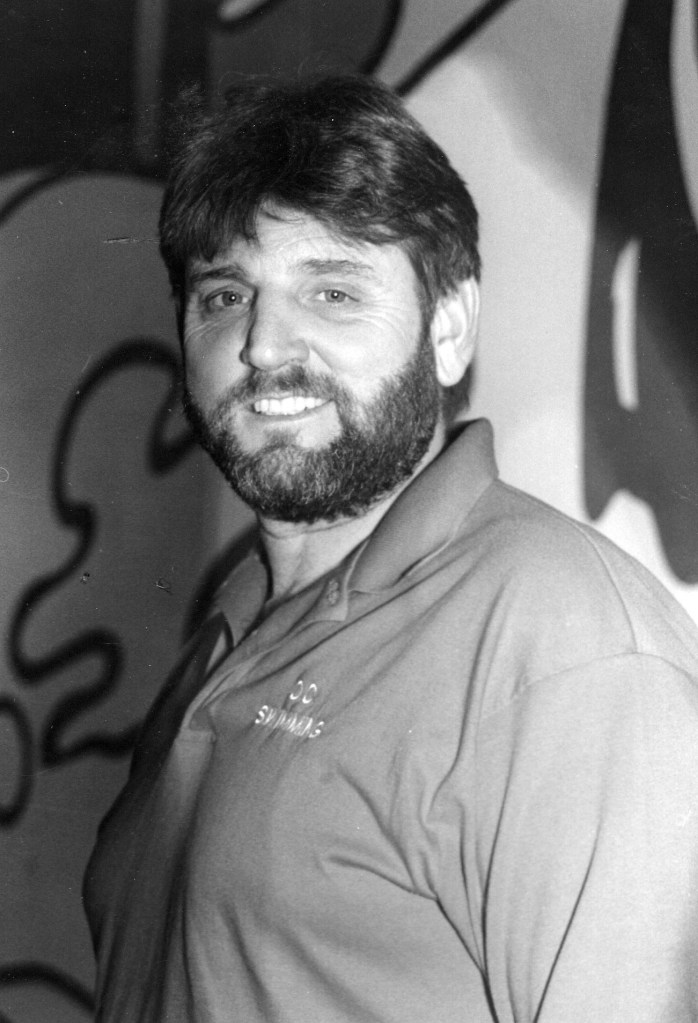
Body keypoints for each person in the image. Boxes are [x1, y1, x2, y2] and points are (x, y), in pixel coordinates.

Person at [84, 73, 698, 1022]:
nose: (262, 344)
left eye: (332, 291)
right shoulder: (230, 629)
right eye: (225, 294)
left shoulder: (570, 652)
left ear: (448, 329)